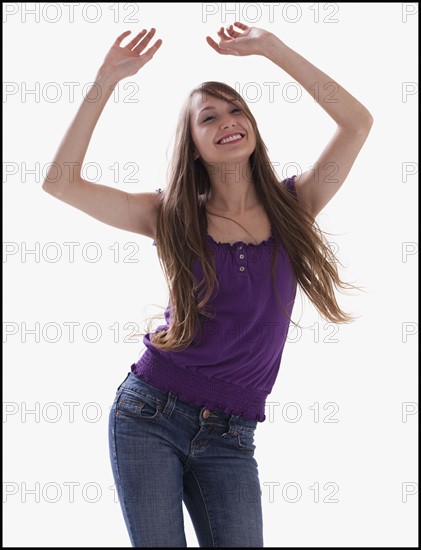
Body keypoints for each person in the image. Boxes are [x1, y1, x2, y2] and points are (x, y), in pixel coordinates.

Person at [42, 22, 373, 548]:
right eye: (209, 117)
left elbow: (357, 122)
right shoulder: (167, 213)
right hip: (149, 414)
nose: (227, 122)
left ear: (253, 125)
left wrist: (272, 50)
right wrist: (106, 80)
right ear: (193, 144)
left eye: (236, 109)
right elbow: (60, 182)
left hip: (231, 438)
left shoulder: (295, 206)